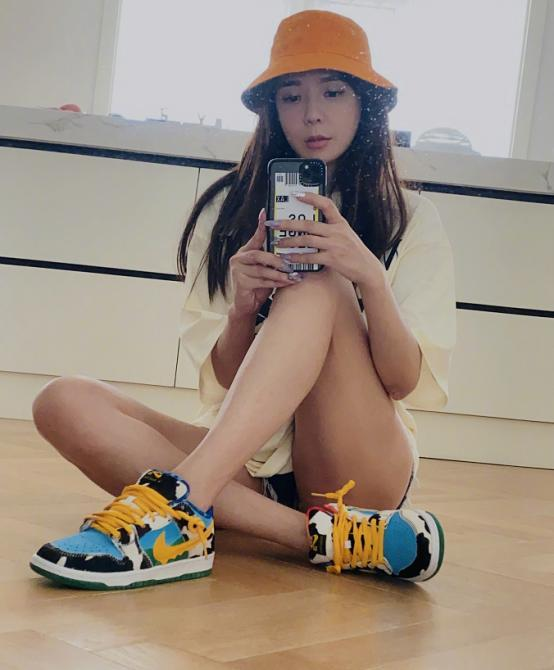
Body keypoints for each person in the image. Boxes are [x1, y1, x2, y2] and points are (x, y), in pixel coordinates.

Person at [29, 9, 456, 590]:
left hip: (357, 467)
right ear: (271, 109)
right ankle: (329, 538)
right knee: (62, 401)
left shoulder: (410, 217)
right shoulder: (227, 210)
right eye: (291, 96)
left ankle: (182, 506)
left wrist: (369, 281)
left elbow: (403, 380)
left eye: (333, 91)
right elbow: (229, 382)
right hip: (249, 466)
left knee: (318, 284)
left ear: (366, 103)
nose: (312, 113)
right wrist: (242, 310)